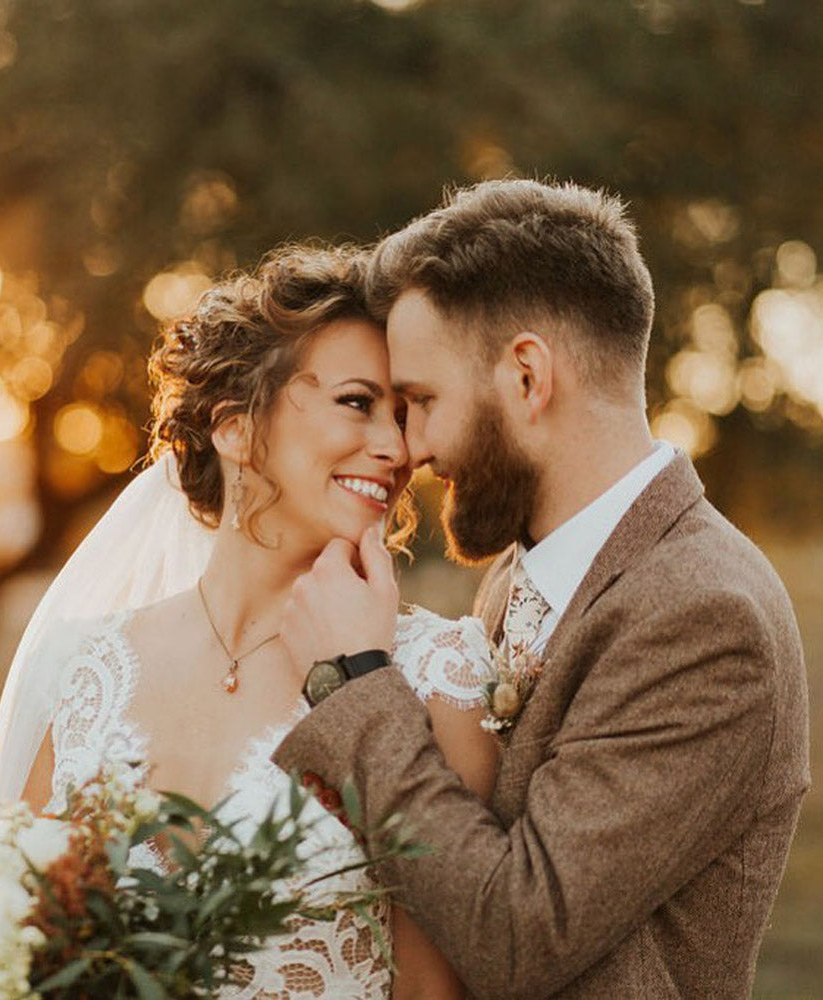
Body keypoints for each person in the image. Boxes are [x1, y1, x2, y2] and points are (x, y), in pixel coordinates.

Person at [272, 180, 811, 998]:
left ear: (526, 376)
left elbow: (520, 934)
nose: (408, 448)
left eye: (421, 401)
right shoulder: (521, 573)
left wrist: (352, 677)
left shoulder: (705, 615)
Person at [0, 246, 500, 999]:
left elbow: (435, 990)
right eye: (358, 402)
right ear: (235, 429)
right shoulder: (89, 666)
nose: (397, 448)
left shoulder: (439, 676)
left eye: (405, 414)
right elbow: (14, 947)